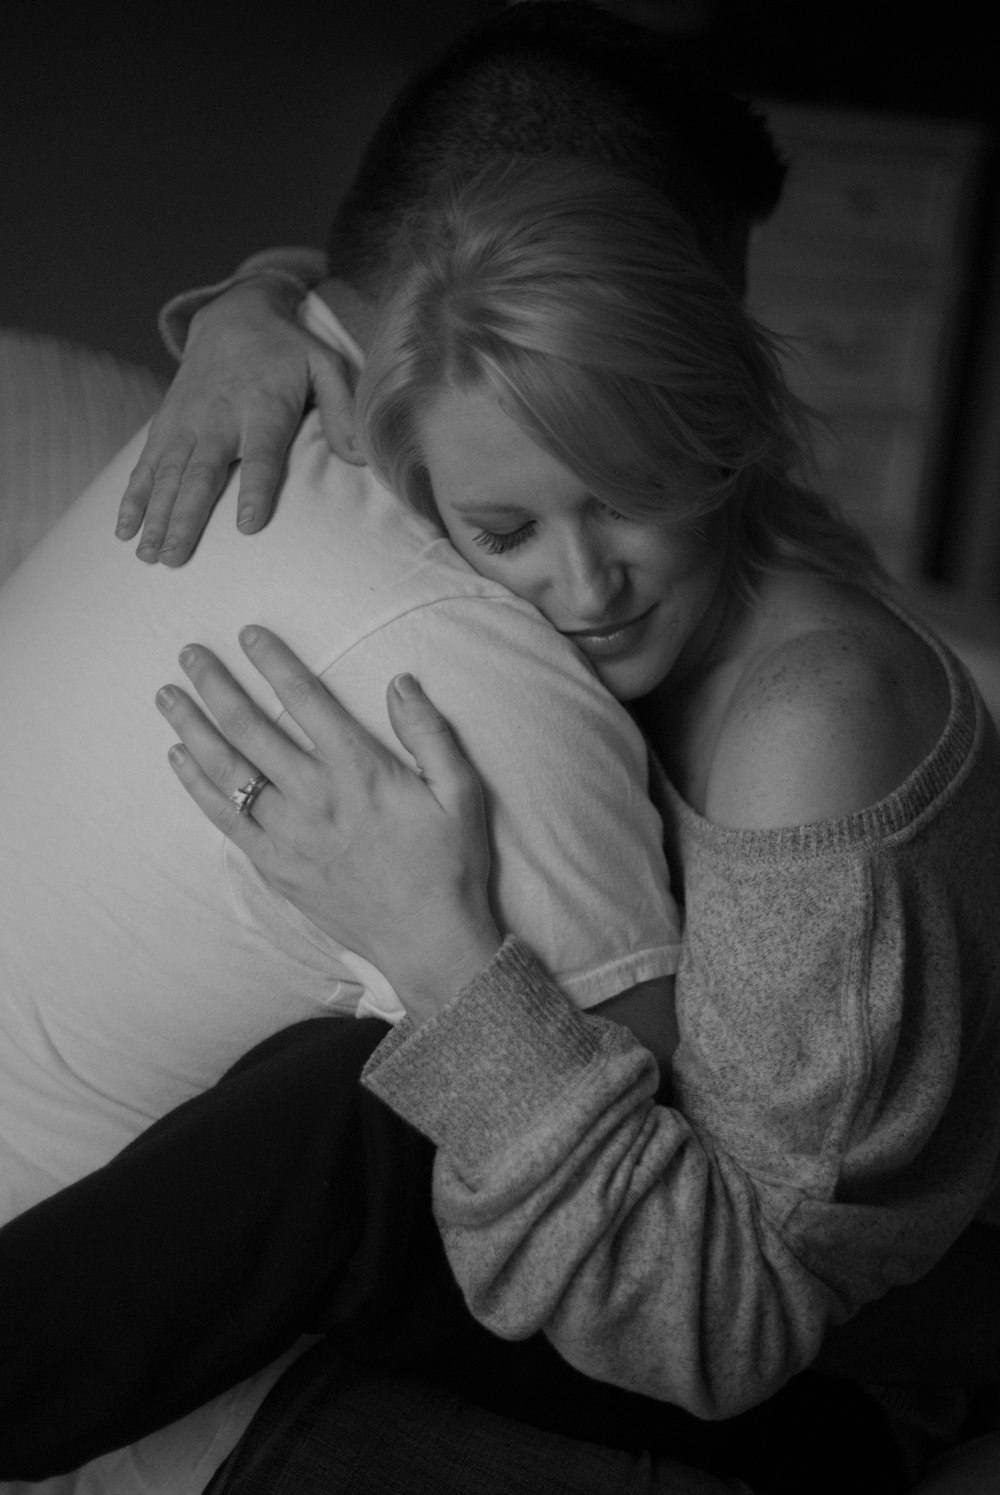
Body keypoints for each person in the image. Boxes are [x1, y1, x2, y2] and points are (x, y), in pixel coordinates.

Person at [0, 5, 784, 1492]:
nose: (591, 579)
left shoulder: (237, 419)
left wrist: (254, 291)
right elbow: (660, 1287)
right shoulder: (477, 697)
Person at [146, 149, 1000, 1489]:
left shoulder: (810, 730)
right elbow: (396, 317)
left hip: (839, 1384)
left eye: (629, 497)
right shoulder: (648, 520)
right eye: (504, 531)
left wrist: (439, 949)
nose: (585, 581)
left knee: (329, 1118)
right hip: (661, 1231)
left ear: (720, 442)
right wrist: (245, 309)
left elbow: (736, 1326)